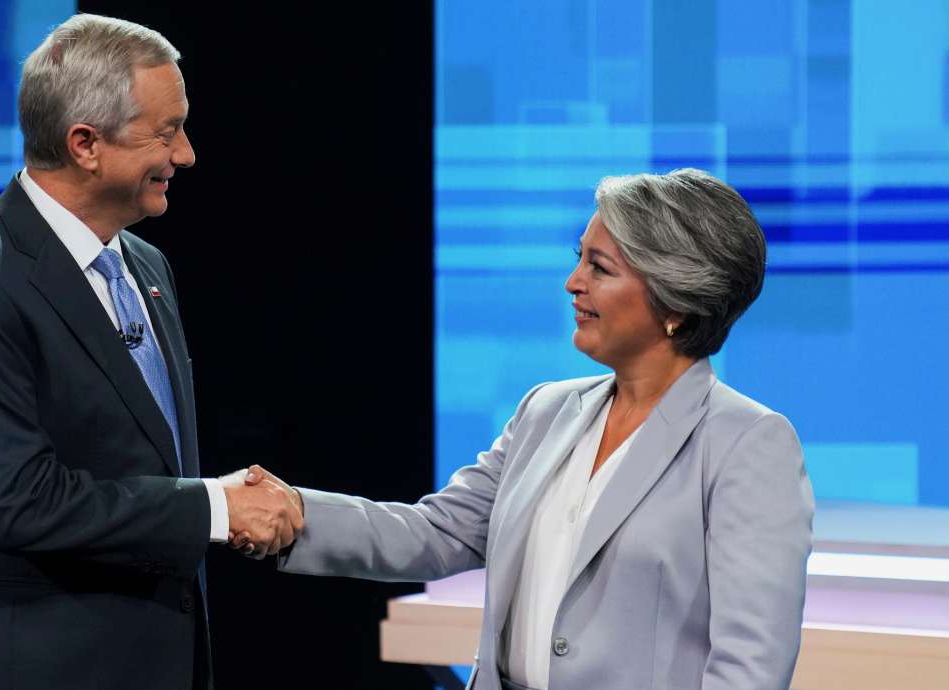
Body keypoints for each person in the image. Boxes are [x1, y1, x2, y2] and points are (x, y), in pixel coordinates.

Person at [236, 169, 815, 690]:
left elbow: (750, 665)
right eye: (579, 257)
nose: (572, 282)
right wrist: (297, 513)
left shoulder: (746, 442)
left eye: (599, 267)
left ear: (677, 300)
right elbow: (440, 532)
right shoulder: (546, 411)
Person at [0, 14, 302, 690]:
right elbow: (19, 501)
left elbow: (139, 459)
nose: (188, 154)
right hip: (21, 665)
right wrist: (215, 508)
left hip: (147, 658)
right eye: (166, 132)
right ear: (85, 143)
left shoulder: (146, 266)